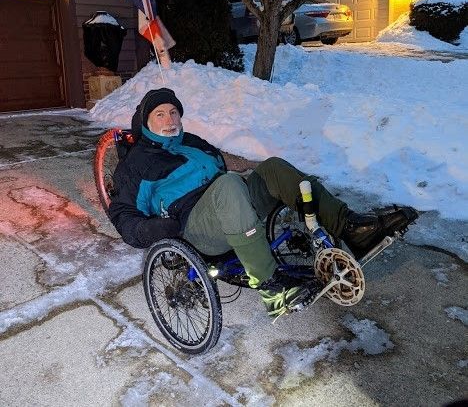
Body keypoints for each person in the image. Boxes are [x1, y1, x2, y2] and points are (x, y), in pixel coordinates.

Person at [109, 88, 418, 318]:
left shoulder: (190, 141)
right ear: (146, 122)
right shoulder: (136, 165)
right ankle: (270, 286)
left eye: (174, 112)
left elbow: (222, 161)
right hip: (194, 226)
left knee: (273, 167)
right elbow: (122, 213)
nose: (170, 119)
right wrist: (151, 229)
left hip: (230, 201)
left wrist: (252, 171)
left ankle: (350, 227)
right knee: (229, 185)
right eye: (160, 114)